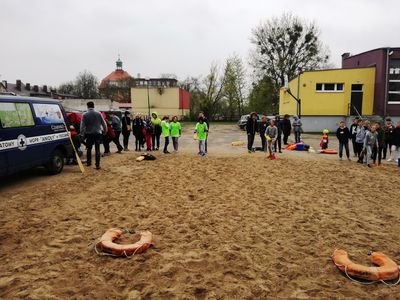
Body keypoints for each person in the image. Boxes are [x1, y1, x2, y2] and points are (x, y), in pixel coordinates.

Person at [80, 101, 107, 170]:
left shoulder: (84, 114)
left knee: (89, 148)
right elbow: (104, 123)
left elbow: (82, 126)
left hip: (89, 134)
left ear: (87, 106)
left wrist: (82, 134)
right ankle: (97, 164)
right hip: (97, 133)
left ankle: (89, 162)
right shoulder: (98, 113)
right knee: (97, 149)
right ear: (93, 106)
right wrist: (105, 131)